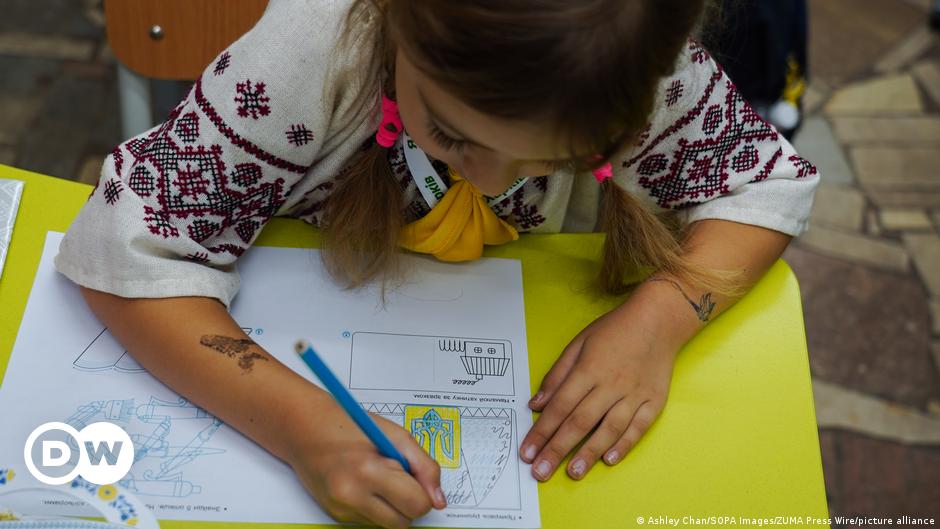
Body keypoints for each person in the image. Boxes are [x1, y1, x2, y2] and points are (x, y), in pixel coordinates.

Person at [54, 0, 819, 527]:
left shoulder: (650, 68)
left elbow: (766, 185)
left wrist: (661, 317)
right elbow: (128, 249)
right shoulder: (317, 47)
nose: (492, 181)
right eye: (452, 136)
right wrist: (301, 423)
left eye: (563, 158)